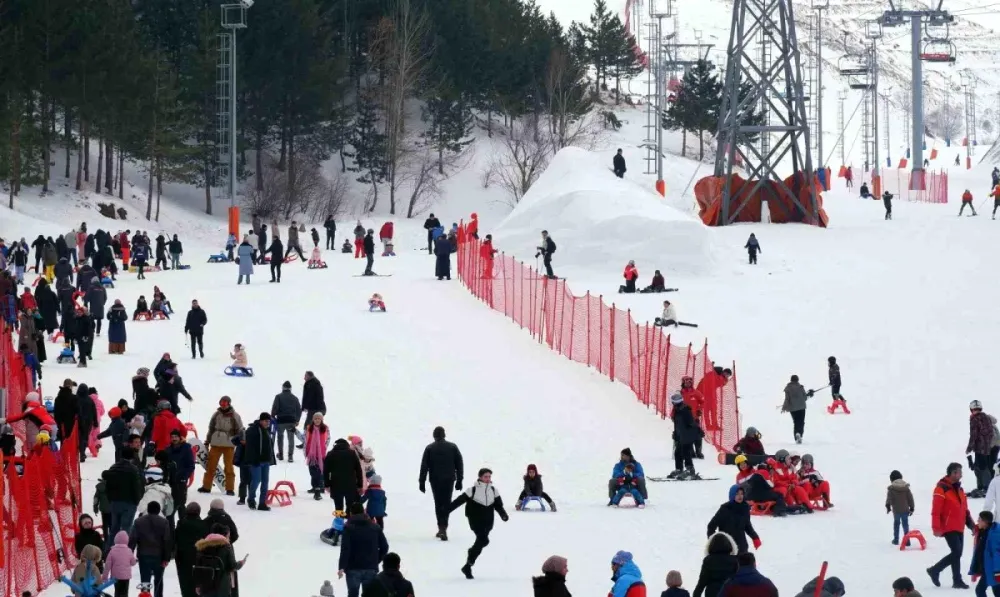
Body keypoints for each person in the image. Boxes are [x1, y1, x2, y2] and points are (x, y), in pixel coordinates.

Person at [449, 468, 509, 579]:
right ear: (480, 477)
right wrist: (447, 510)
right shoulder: (472, 490)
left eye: (489, 477)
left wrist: (503, 515)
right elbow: (459, 501)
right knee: (483, 540)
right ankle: (468, 564)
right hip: (475, 520)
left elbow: (498, 505)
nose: (488, 479)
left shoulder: (493, 490)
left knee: (482, 541)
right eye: (486, 476)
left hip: (488, 521)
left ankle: (468, 563)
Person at [928, 462, 975, 589]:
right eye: (959, 472)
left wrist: (971, 525)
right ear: (953, 473)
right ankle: (935, 570)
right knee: (957, 551)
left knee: (957, 553)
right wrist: (936, 528)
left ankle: (956, 580)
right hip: (948, 526)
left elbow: (964, 509)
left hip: (959, 526)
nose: (961, 474)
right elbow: (936, 510)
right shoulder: (941, 488)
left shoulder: (959, 489)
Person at [419, 426, 464, 541]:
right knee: (446, 503)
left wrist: (422, 482)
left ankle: (441, 527)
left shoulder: (429, 448)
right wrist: (459, 480)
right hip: (449, 479)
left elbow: (424, 466)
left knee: (438, 503)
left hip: (435, 480)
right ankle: (444, 527)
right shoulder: (453, 447)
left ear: (434, 435)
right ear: (444, 435)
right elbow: (459, 464)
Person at [338, 502, 389, 597]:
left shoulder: (348, 528)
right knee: (369, 594)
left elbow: (345, 549)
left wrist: (342, 566)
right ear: (364, 511)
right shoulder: (375, 527)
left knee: (353, 594)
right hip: (371, 567)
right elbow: (384, 547)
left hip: (352, 567)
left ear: (351, 513)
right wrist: (376, 560)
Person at [199, 397, 243, 496]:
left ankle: (230, 489)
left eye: (225, 404)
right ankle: (206, 487)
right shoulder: (216, 415)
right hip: (215, 444)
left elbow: (240, 430)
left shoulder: (235, 416)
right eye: (221, 404)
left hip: (229, 445)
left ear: (229, 404)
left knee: (229, 468)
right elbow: (211, 429)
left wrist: (239, 442)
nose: (223, 406)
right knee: (211, 466)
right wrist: (207, 441)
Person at [129, 501, 172, 597]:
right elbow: (167, 540)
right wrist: (166, 558)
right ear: (158, 510)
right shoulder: (164, 522)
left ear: (148, 510)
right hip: (159, 556)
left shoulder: (138, 521)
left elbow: (133, 539)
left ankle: (145, 595)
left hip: (143, 555)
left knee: (145, 580)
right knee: (159, 580)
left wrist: (129, 553)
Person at [193, 523, 245, 597]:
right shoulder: (226, 547)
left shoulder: (202, 547)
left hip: (205, 587)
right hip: (221, 587)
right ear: (223, 535)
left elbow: (198, 567)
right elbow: (232, 566)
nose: (229, 538)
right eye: (228, 536)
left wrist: (198, 585)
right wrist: (241, 563)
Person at [707, 485, 760, 554]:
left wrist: (755, 537)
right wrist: (714, 542)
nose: (740, 496)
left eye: (741, 494)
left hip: (742, 546)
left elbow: (747, 525)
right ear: (732, 495)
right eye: (737, 494)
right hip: (727, 547)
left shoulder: (745, 508)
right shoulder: (725, 509)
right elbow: (711, 526)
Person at [243, 413, 276, 510]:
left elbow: (269, 446)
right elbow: (250, 447)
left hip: (266, 461)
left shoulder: (266, 431)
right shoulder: (253, 430)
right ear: (261, 420)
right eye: (266, 421)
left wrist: (271, 459)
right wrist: (253, 459)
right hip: (256, 461)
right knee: (256, 480)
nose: (268, 423)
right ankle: (251, 499)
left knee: (265, 482)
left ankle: (262, 503)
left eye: (269, 421)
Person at [693, 533, 739, 597]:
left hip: (712, 593)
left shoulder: (708, 560)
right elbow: (738, 579)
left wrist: (696, 594)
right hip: (729, 592)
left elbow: (702, 582)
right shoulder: (734, 560)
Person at [326, 437, 365, 511]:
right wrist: (360, 485)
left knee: (338, 505)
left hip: (336, 484)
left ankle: (339, 519)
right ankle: (348, 517)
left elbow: (326, 471)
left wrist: (327, 484)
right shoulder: (352, 454)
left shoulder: (330, 454)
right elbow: (358, 470)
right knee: (350, 504)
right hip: (350, 484)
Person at [670, 393, 702, 479]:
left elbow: (691, 422)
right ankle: (679, 469)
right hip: (681, 435)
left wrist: (698, 430)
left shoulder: (685, 410)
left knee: (686, 452)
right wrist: (676, 434)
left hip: (688, 435)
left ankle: (690, 469)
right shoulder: (677, 411)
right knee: (677, 452)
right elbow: (677, 425)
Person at [968, 510, 1000, 597]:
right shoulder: (984, 532)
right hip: (988, 568)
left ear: (985, 522)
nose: (977, 521)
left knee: (980, 590)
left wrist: (997, 572)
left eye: (980, 519)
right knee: (995, 591)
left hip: (993, 569)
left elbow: (997, 554)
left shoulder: (993, 535)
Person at [969, 400, 996, 498]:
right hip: (988, 446)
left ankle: (986, 487)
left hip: (981, 447)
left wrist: (970, 447)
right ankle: (984, 487)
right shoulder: (986, 417)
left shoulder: (974, 419)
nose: (975, 411)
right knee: (985, 466)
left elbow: (974, 435)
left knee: (982, 467)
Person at [271, 381, 302, 462]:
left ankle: (280, 455)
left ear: (283, 387)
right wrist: (297, 420)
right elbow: (299, 410)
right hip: (291, 421)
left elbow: (275, 408)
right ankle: (290, 456)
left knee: (280, 437)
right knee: (291, 438)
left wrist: (273, 416)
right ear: (290, 388)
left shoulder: (278, 397)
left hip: (281, 420)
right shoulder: (295, 398)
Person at [304, 413, 330, 499]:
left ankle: (317, 491)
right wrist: (295, 431)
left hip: (321, 455)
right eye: (316, 419)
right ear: (313, 419)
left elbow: (328, 438)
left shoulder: (325, 428)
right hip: (311, 455)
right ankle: (315, 488)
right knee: (312, 473)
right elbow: (304, 439)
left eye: (319, 419)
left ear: (321, 419)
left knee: (318, 473)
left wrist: (324, 447)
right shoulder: (309, 428)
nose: (317, 420)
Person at [103, 530, 136, 597]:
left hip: (116, 577)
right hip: (126, 577)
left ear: (115, 540)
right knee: (124, 592)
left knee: (117, 591)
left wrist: (105, 577)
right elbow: (133, 563)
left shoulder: (112, 551)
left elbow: (107, 565)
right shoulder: (129, 551)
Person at [780, 375, 810, 444]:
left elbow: (787, 399)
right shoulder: (800, 387)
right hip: (801, 407)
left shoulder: (788, 388)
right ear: (797, 380)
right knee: (801, 422)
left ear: (791, 380)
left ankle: (796, 435)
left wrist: (784, 407)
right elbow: (805, 398)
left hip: (792, 408)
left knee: (796, 421)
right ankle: (800, 434)